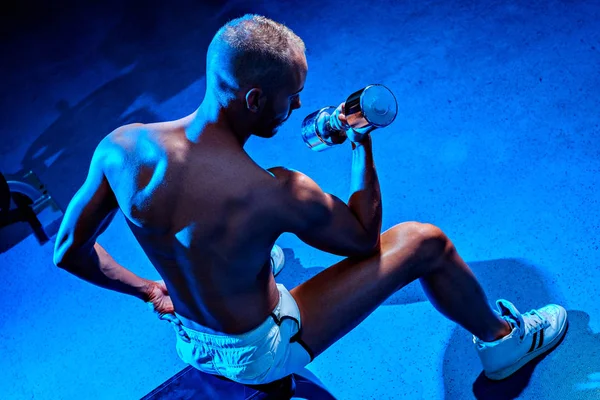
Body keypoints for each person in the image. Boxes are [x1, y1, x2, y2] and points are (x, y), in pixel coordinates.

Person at [53, 14, 568, 386]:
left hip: (190, 338)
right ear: (255, 99)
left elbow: (68, 251)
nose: (298, 104)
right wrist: (361, 144)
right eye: (292, 95)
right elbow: (365, 240)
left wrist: (149, 290)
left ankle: (241, 270)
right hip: (255, 355)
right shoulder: (274, 190)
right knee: (423, 242)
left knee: (253, 249)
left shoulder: (120, 148)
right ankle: (505, 343)